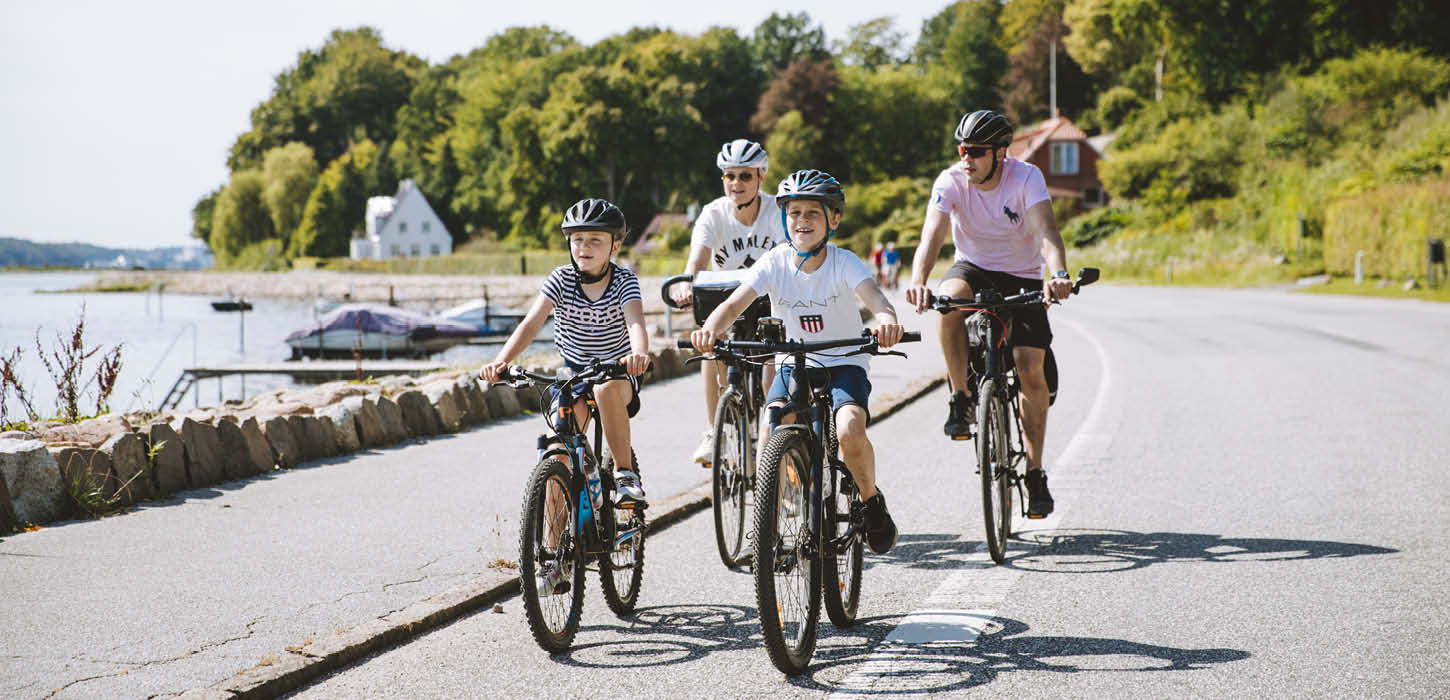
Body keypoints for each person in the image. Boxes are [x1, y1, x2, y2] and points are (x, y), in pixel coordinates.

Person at [691, 169, 905, 555]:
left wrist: (887, 321)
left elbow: (876, 298)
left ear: (833, 219)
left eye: (812, 214)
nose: (802, 221)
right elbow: (733, 303)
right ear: (784, 219)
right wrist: (710, 329)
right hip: (795, 363)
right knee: (773, 427)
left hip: (843, 362)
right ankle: (767, 530)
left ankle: (870, 499)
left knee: (849, 431)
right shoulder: (775, 262)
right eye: (794, 213)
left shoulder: (844, 262)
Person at [904, 109, 1073, 519]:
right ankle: (961, 397)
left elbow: (1047, 231)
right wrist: (918, 278)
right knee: (949, 301)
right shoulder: (951, 181)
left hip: (1022, 274)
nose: (967, 158)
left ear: (1000, 152)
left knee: (1029, 367)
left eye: (976, 151)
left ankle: (1034, 473)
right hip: (973, 267)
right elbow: (933, 233)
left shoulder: (1026, 177)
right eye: (963, 150)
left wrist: (1059, 274)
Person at [480, 198, 652, 508]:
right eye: (577, 240)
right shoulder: (561, 279)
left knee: (606, 388)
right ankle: (553, 551)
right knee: (557, 450)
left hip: (617, 373)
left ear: (614, 246)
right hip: (573, 374)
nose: (584, 247)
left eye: (595, 240)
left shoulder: (624, 280)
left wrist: (638, 354)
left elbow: (636, 324)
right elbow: (530, 325)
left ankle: (625, 474)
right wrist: (502, 361)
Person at [669, 139, 786, 466]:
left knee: (771, 365)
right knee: (710, 342)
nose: (737, 184)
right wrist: (687, 285)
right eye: (730, 176)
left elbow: (790, 255)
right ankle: (712, 430)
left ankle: (773, 435)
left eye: (745, 176)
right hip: (727, 300)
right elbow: (698, 260)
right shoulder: (713, 213)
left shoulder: (777, 211)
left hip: (768, 300)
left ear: (761, 177)